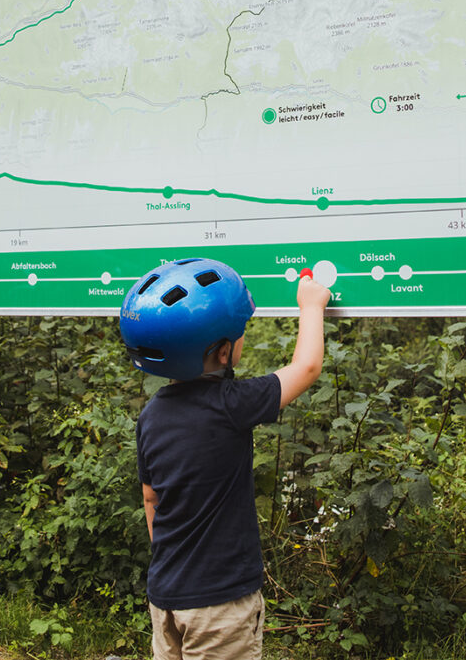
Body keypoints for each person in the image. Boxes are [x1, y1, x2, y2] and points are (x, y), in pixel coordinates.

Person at [120, 257, 331, 660]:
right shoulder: (231, 405)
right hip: (219, 607)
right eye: (241, 332)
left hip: (165, 596)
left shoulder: (151, 416)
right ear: (221, 352)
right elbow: (307, 367)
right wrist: (311, 305)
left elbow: (151, 498)